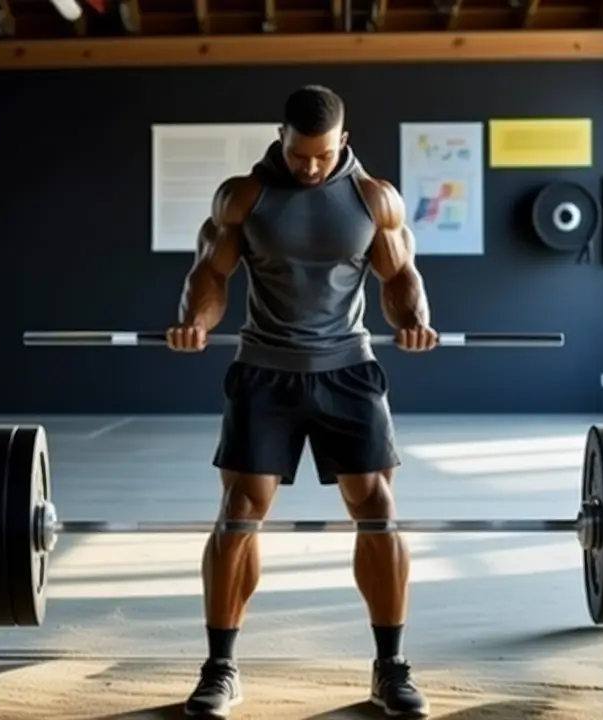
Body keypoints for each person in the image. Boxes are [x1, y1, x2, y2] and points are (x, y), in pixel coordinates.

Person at [165, 85, 437, 719]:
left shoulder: (374, 198)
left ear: (342, 140)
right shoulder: (244, 195)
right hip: (265, 370)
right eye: (297, 155)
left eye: (320, 156)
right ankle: (220, 667)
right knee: (238, 512)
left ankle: (391, 667)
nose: (309, 168)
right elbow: (210, 273)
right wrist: (195, 321)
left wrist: (415, 320)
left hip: (348, 370)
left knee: (379, 511)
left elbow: (399, 277)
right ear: (280, 137)